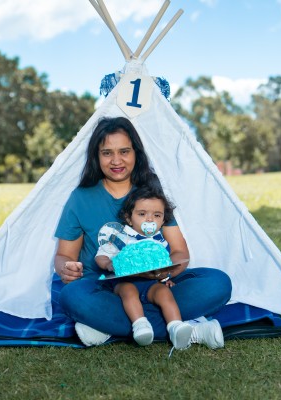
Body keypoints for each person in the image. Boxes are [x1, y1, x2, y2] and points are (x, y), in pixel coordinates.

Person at [54, 116, 230, 349]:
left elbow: (179, 251)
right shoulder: (81, 198)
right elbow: (64, 256)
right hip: (105, 289)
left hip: (157, 286)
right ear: (96, 157)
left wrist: (163, 272)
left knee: (218, 283)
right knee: (71, 296)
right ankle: (185, 328)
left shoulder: (151, 194)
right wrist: (66, 269)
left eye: (124, 151)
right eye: (107, 153)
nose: (116, 160)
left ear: (136, 153)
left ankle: (111, 327)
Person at [95, 185, 194, 349]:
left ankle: (176, 327)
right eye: (142, 214)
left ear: (163, 221)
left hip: (151, 284)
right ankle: (140, 325)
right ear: (129, 218)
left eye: (157, 215)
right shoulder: (121, 237)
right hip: (126, 282)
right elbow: (101, 254)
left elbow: (162, 265)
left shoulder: (160, 242)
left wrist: (166, 278)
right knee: (128, 292)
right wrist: (108, 264)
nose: (149, 220)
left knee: (165, 294)